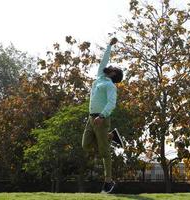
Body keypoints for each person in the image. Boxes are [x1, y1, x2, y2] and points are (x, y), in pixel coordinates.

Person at [82, 37, 124, 193]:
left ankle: (108, 181)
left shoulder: (110, 86)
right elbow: (103, 61)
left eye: (112, 68)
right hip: (91, 118)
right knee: (85, 145)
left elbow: (111, 104)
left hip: (101, 119)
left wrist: (102, 116)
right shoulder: (100, 76)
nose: (109, 67)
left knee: (104, 152)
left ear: (113, 74)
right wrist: (109, 46)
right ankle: (110, 137)